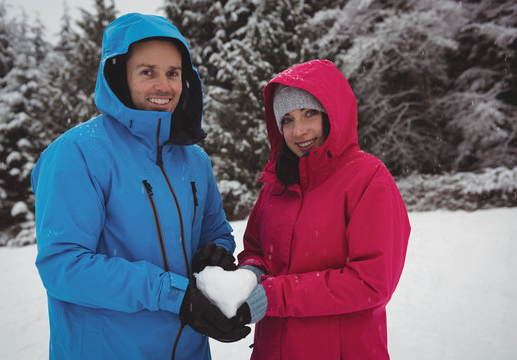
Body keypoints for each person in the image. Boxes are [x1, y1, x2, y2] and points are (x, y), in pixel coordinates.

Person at [31, 13, 249, 360]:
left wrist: (214, 256)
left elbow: (217, 233)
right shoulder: (78, 153)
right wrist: (174, 295)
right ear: (119, 75)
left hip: (190, 351)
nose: (164, 86)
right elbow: (64, 267)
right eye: (147, 72)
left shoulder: (195, 161)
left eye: (173, 73)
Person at [232, 59, 411, 359]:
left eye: (309, 114)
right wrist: (250, 273)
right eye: (287, 120)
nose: (298, 131)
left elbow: (370, 282)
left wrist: (276, 295)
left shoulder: (368, 179)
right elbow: (255, 249)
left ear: (332, 113)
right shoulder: (276, 185)